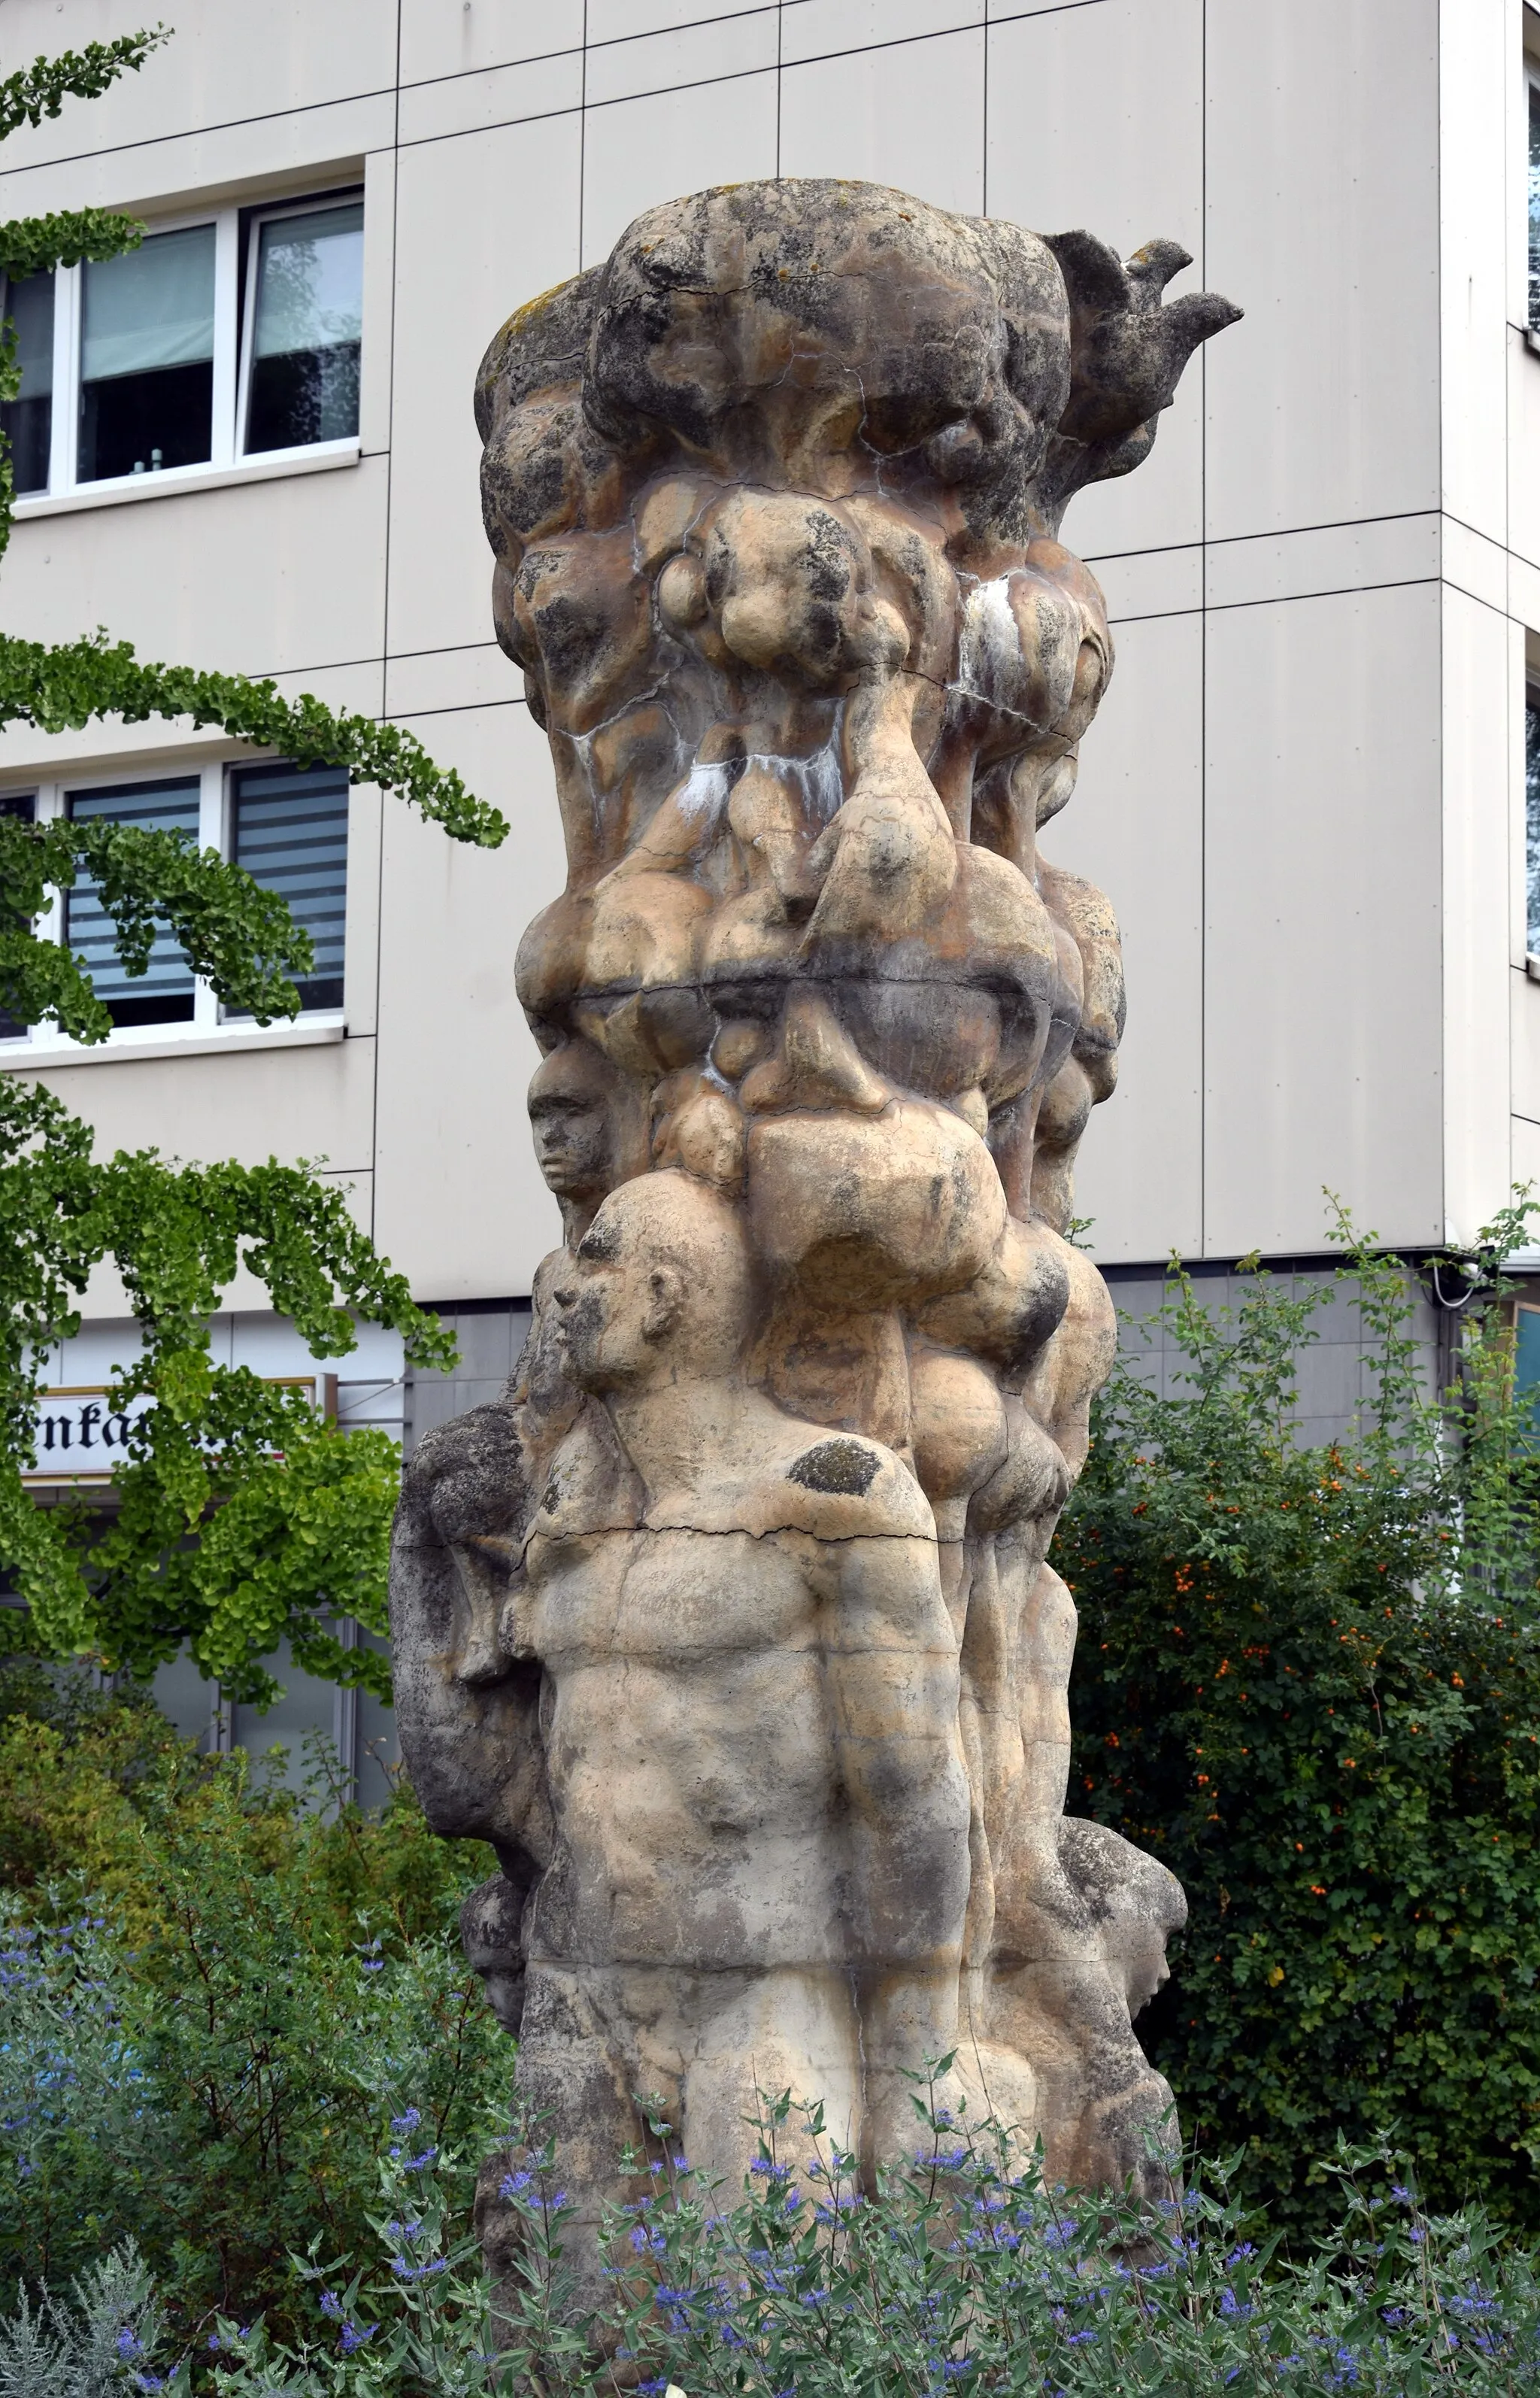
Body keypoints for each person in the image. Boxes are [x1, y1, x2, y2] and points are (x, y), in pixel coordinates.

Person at [497, 1167, 972, 2277]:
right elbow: (491, 1785)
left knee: (766, 2338)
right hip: (579, 1993)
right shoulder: (570, 1517)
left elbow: (912, 1799)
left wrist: (923, 2062)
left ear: (665, 1296)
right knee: (563, 2349)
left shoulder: (835, 1494)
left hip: (759, 2002)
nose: (569, 1287)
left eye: (600, 1256)